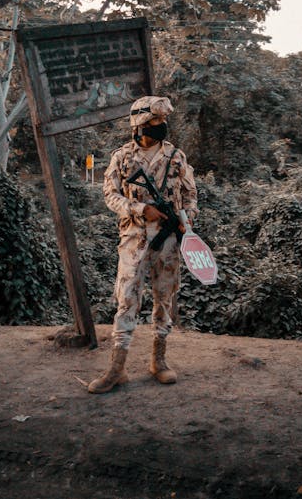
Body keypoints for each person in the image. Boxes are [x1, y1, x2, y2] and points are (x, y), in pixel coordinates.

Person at [88, 95, 198, 394]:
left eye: (163, 120)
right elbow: (111, 196)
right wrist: (140, 210)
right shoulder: (122, 157)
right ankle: (116, 368)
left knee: (164, 298)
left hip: (169, 242)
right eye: (155, 121)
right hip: (134, 240)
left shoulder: (176, 157)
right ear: (140, 124)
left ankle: (158, 362)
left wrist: (184, 221)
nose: (162, 125)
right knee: (126, 300)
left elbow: (190, 196)